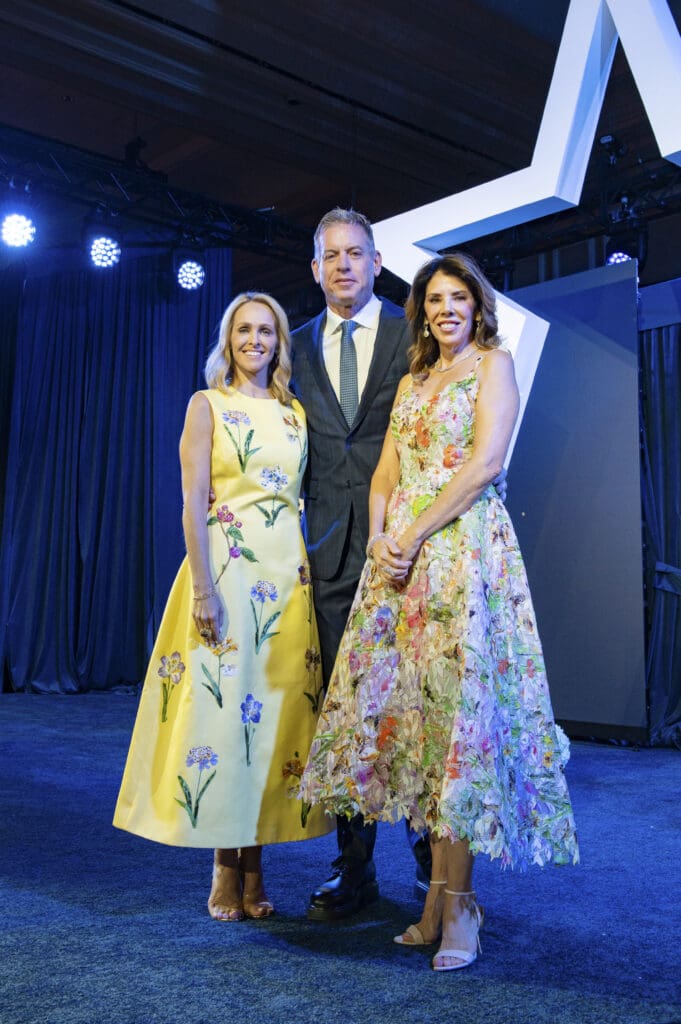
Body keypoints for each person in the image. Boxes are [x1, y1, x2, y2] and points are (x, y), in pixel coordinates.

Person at [299, 253, 579, 971]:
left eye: (458, 297)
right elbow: (385, 473)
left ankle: (459, 907)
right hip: (401, 568)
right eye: (434, 300)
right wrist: (382, 541)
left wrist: (414, 533)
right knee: (419, 730)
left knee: (461, 729)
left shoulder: (494, 364)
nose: (446, 309)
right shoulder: (413, 379)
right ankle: (432, 904)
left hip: (464, 558)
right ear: (421, 312)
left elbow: (485, 464)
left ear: (477, 306)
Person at [114, 291, 331, 921]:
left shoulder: (294, 413)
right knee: (221, 719)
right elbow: (192, 503)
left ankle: (255, 866)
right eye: (244, 330)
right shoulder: (206, 405)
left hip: (286, 584)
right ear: (228, 340)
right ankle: (224, 866)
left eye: (266, 331)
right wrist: (204, 589)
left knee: (269, 726)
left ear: (279, 342)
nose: (255, 340)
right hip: (228, 577)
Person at [291, 207, 428, 921]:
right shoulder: (291, 346)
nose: (344, 265)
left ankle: (433, 865)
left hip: (407, 549)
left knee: (415, 703)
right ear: (315, 269)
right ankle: (354, 867)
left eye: (356, 253)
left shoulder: (417, 335)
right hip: (328, 554)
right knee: (343, 711)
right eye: (332, 255)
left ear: (377, 263)